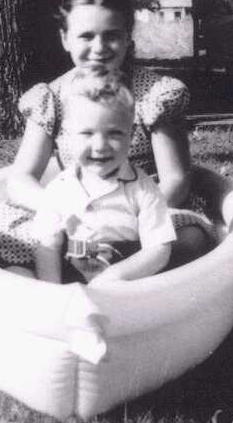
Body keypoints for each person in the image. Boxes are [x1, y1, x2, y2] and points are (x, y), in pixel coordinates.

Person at [0, 0, 213, 275]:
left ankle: (97, 269)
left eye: (111, 36)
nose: (99, 48)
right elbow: (20, 178)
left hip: (140, 214)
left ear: (128, 37)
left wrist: (122, 219)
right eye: (86, 36)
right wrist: (64, 213)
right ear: (65, 38)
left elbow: (176, 180)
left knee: (189, 235)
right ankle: (66, 267)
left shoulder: (155, 93)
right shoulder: (51, 97)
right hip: (72, 216)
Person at [31, 74, 175, 285]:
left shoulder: (142, 189)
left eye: (115, 133)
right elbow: (47, 245)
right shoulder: (60, 189)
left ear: (131, 134)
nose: (100, 145)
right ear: (67, 136)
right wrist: (53, 291)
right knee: (20, 273)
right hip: (72, 279)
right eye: (87, 133)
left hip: (128, 280)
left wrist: (116, 276)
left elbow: (159, 249)